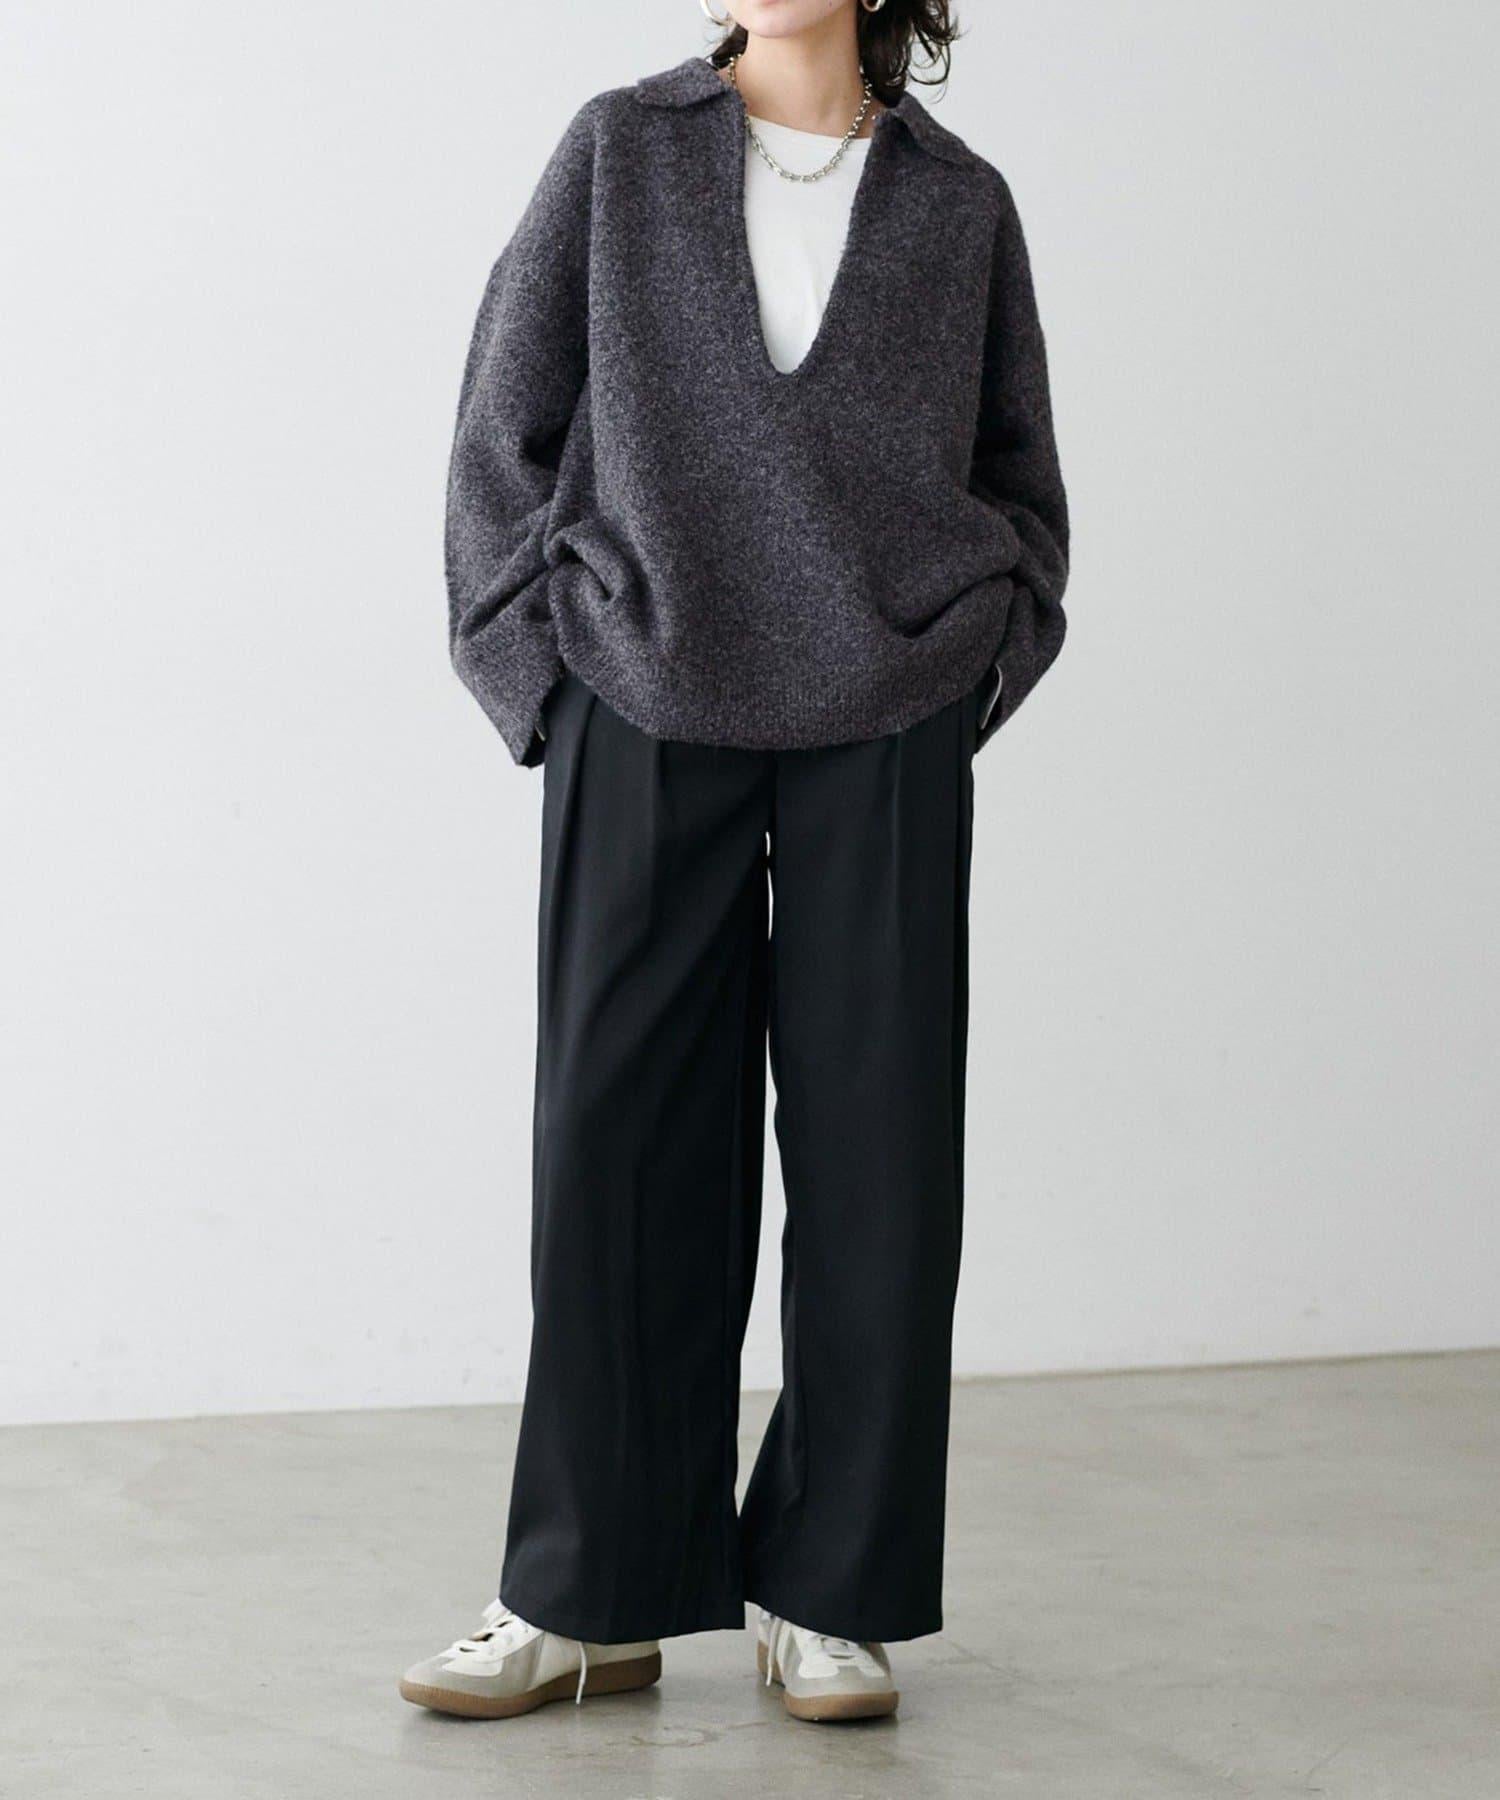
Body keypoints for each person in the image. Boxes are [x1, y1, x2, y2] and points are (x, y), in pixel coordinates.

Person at [400, 0, 1067, 1725]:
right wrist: (535, 669)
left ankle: (826, 1589)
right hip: (640, 691)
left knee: (881, 1157)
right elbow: (501, 425)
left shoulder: (959, 203)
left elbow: (1020, 474)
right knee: (616, 1141)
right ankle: (587, 1591)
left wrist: (982, 654)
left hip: (889, 708)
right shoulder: (621, 151)